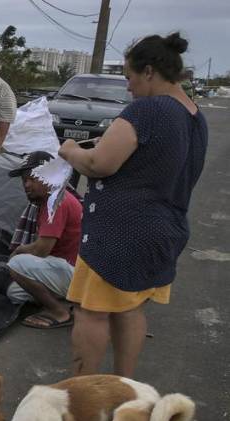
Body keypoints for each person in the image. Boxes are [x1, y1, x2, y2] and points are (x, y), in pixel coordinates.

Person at [58, 32, 207, 377]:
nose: (128, 87)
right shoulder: (194, 115)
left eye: (129, 78)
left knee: (90, 312)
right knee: (130, 308)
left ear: (150, 71)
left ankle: (86, 394)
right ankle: (123, 388)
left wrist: (70, 151)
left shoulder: (148, 109)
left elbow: (99, 164)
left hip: (120, 234)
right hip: (164, 229)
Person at [5, 151, 83, 329]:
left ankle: (60, 313)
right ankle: (68, 299)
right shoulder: (49, 201)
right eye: (24, 180)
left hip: (77, 272)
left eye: (32, 178)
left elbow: (42, 250)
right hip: (68, 269)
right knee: (15, 293)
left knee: (17, 264)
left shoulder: (56, 202)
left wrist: (18, 251)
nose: (27, 185)